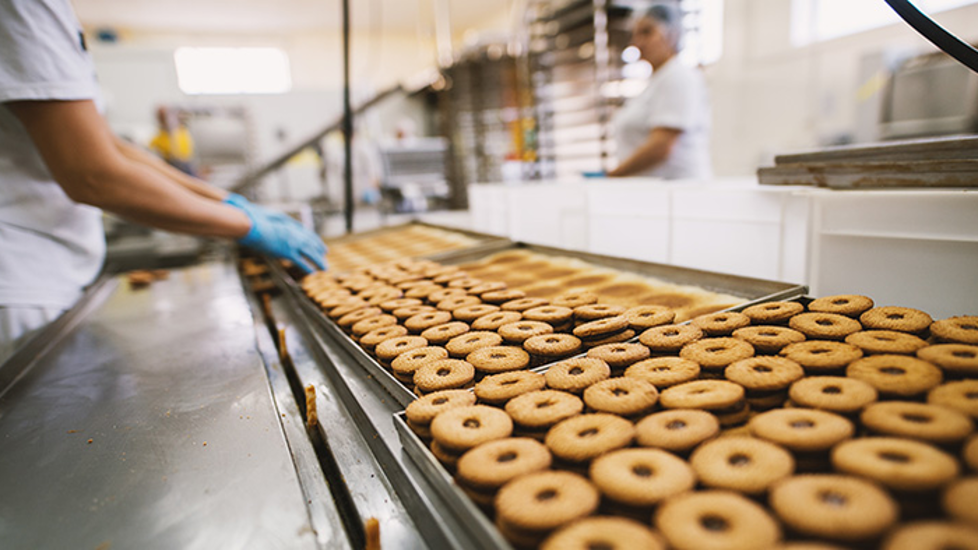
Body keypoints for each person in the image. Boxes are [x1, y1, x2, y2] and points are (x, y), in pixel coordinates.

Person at [0, 0, 326, 359]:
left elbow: (110, 146)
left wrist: (227, 202)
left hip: (51, 270)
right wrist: (247, 225)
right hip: (21, 279)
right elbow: (91, 174)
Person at [607, 4, 712, 180]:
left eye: (647, 32)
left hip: (679, 192)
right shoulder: (655, 83)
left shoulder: (678, 76)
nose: (638, 42)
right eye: (635, 35)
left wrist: (613, 175)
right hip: (657, 193)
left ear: (672, 34)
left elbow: (661, 146)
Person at [149, 106, 198, 176]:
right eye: (162, 117)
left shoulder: (182, 133)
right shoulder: (156, 140)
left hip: (186, 166)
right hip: (171, 168)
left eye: (167, 116)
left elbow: (185, 155)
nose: (165, 119)